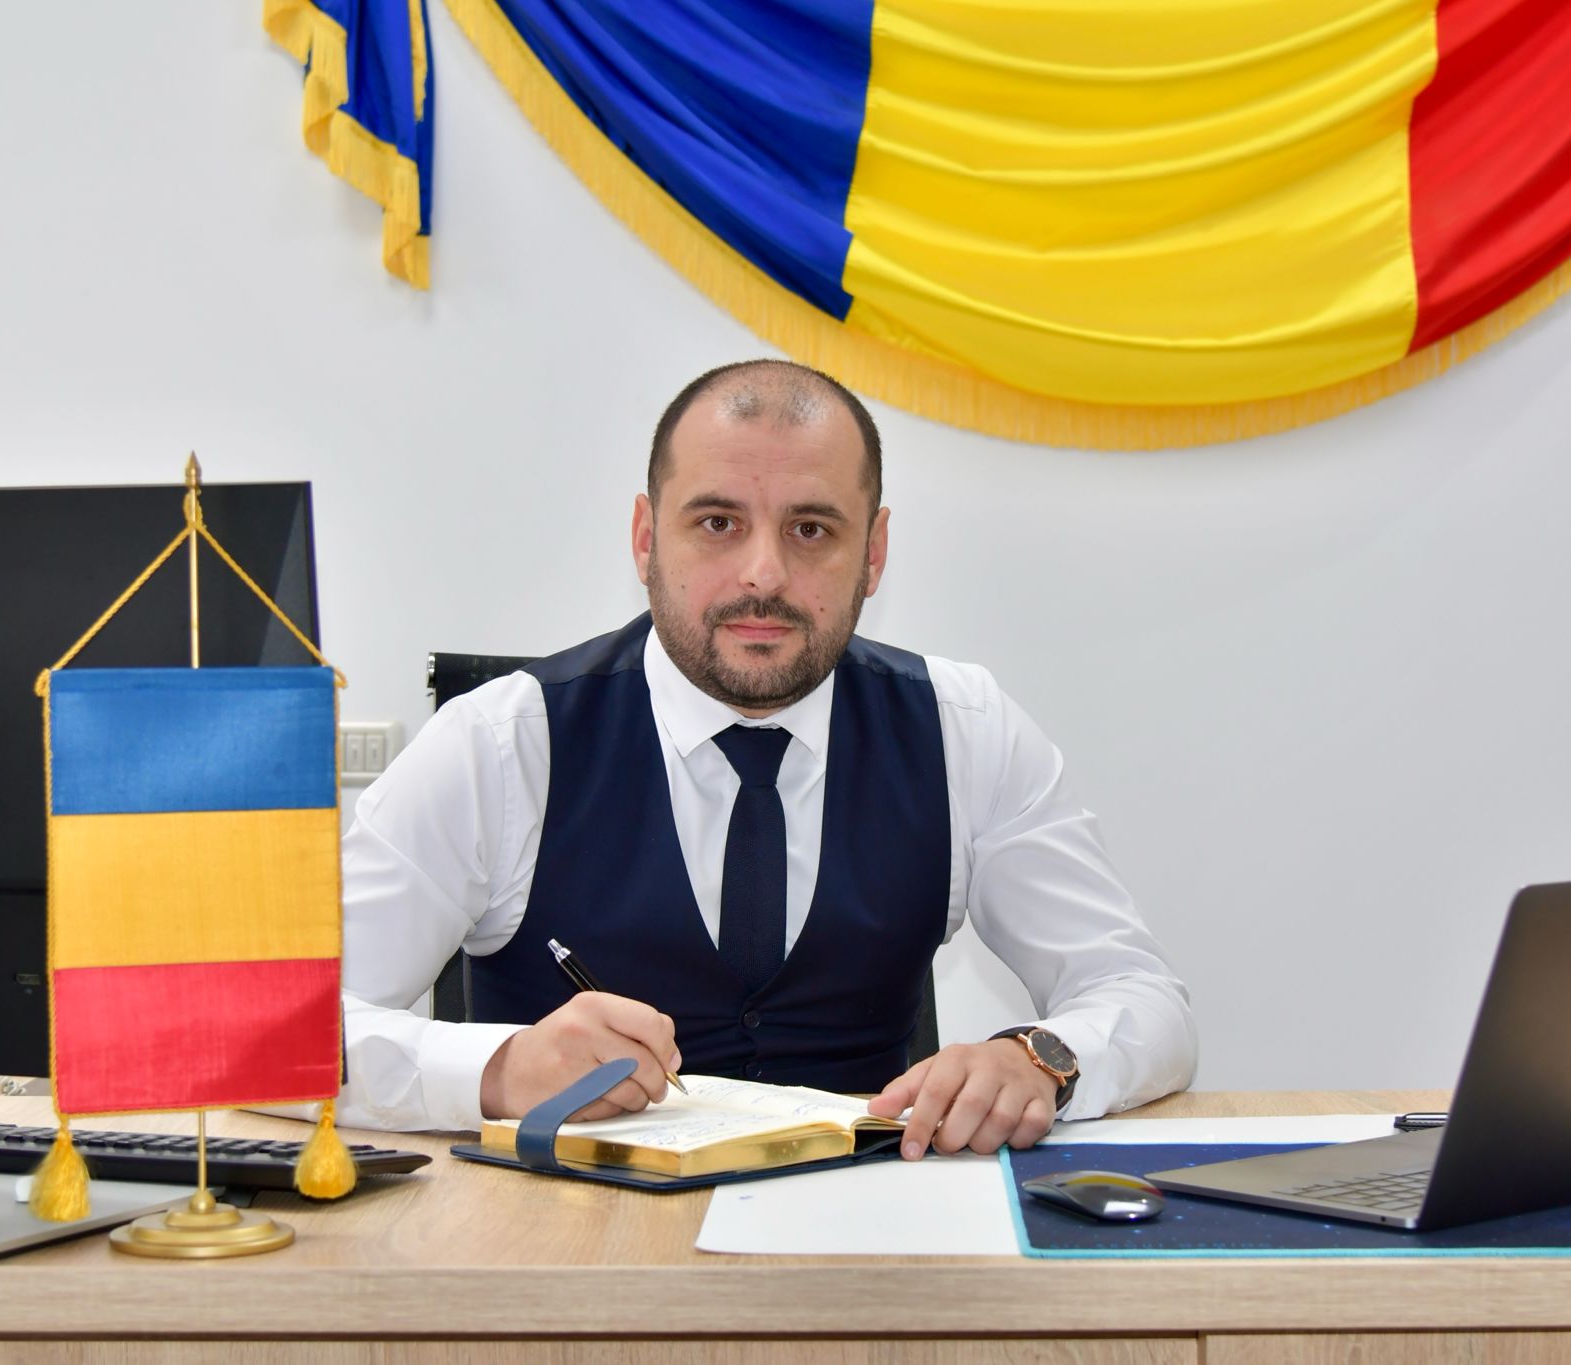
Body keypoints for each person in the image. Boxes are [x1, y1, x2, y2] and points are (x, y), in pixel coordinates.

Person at [338, 359, 1195, 1158]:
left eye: (811, 528)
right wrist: (496, 1069)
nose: (764, 574)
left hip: (866, 1235)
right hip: (568, 1242)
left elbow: (1145, 999)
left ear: (874, 553)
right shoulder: (499, 743)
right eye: (717, 523)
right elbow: (284, 1030)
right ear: (645, 538)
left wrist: (1038, 1057)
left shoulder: (964, 729)